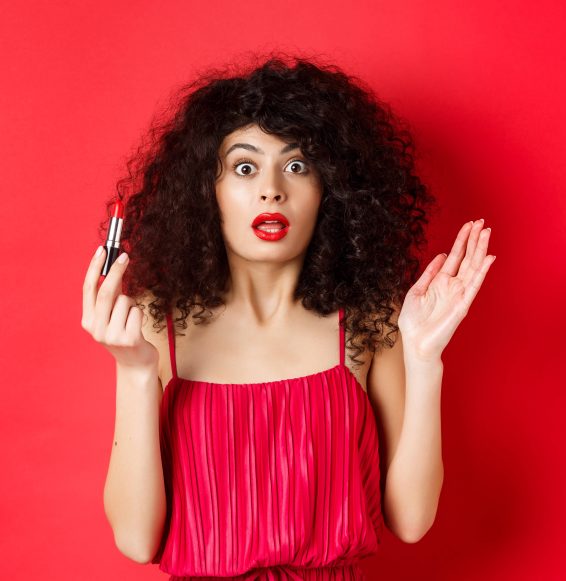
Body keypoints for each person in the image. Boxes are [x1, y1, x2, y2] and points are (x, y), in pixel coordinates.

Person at [80, 53, 496, 579]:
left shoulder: (370, 319)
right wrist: (135, 372)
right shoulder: (154, 323)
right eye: (245, 167)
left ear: (332, 189)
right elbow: (138, 541)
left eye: (298, 166)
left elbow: (411, 521)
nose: (272, 188)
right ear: (207, 189)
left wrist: (425, 358)